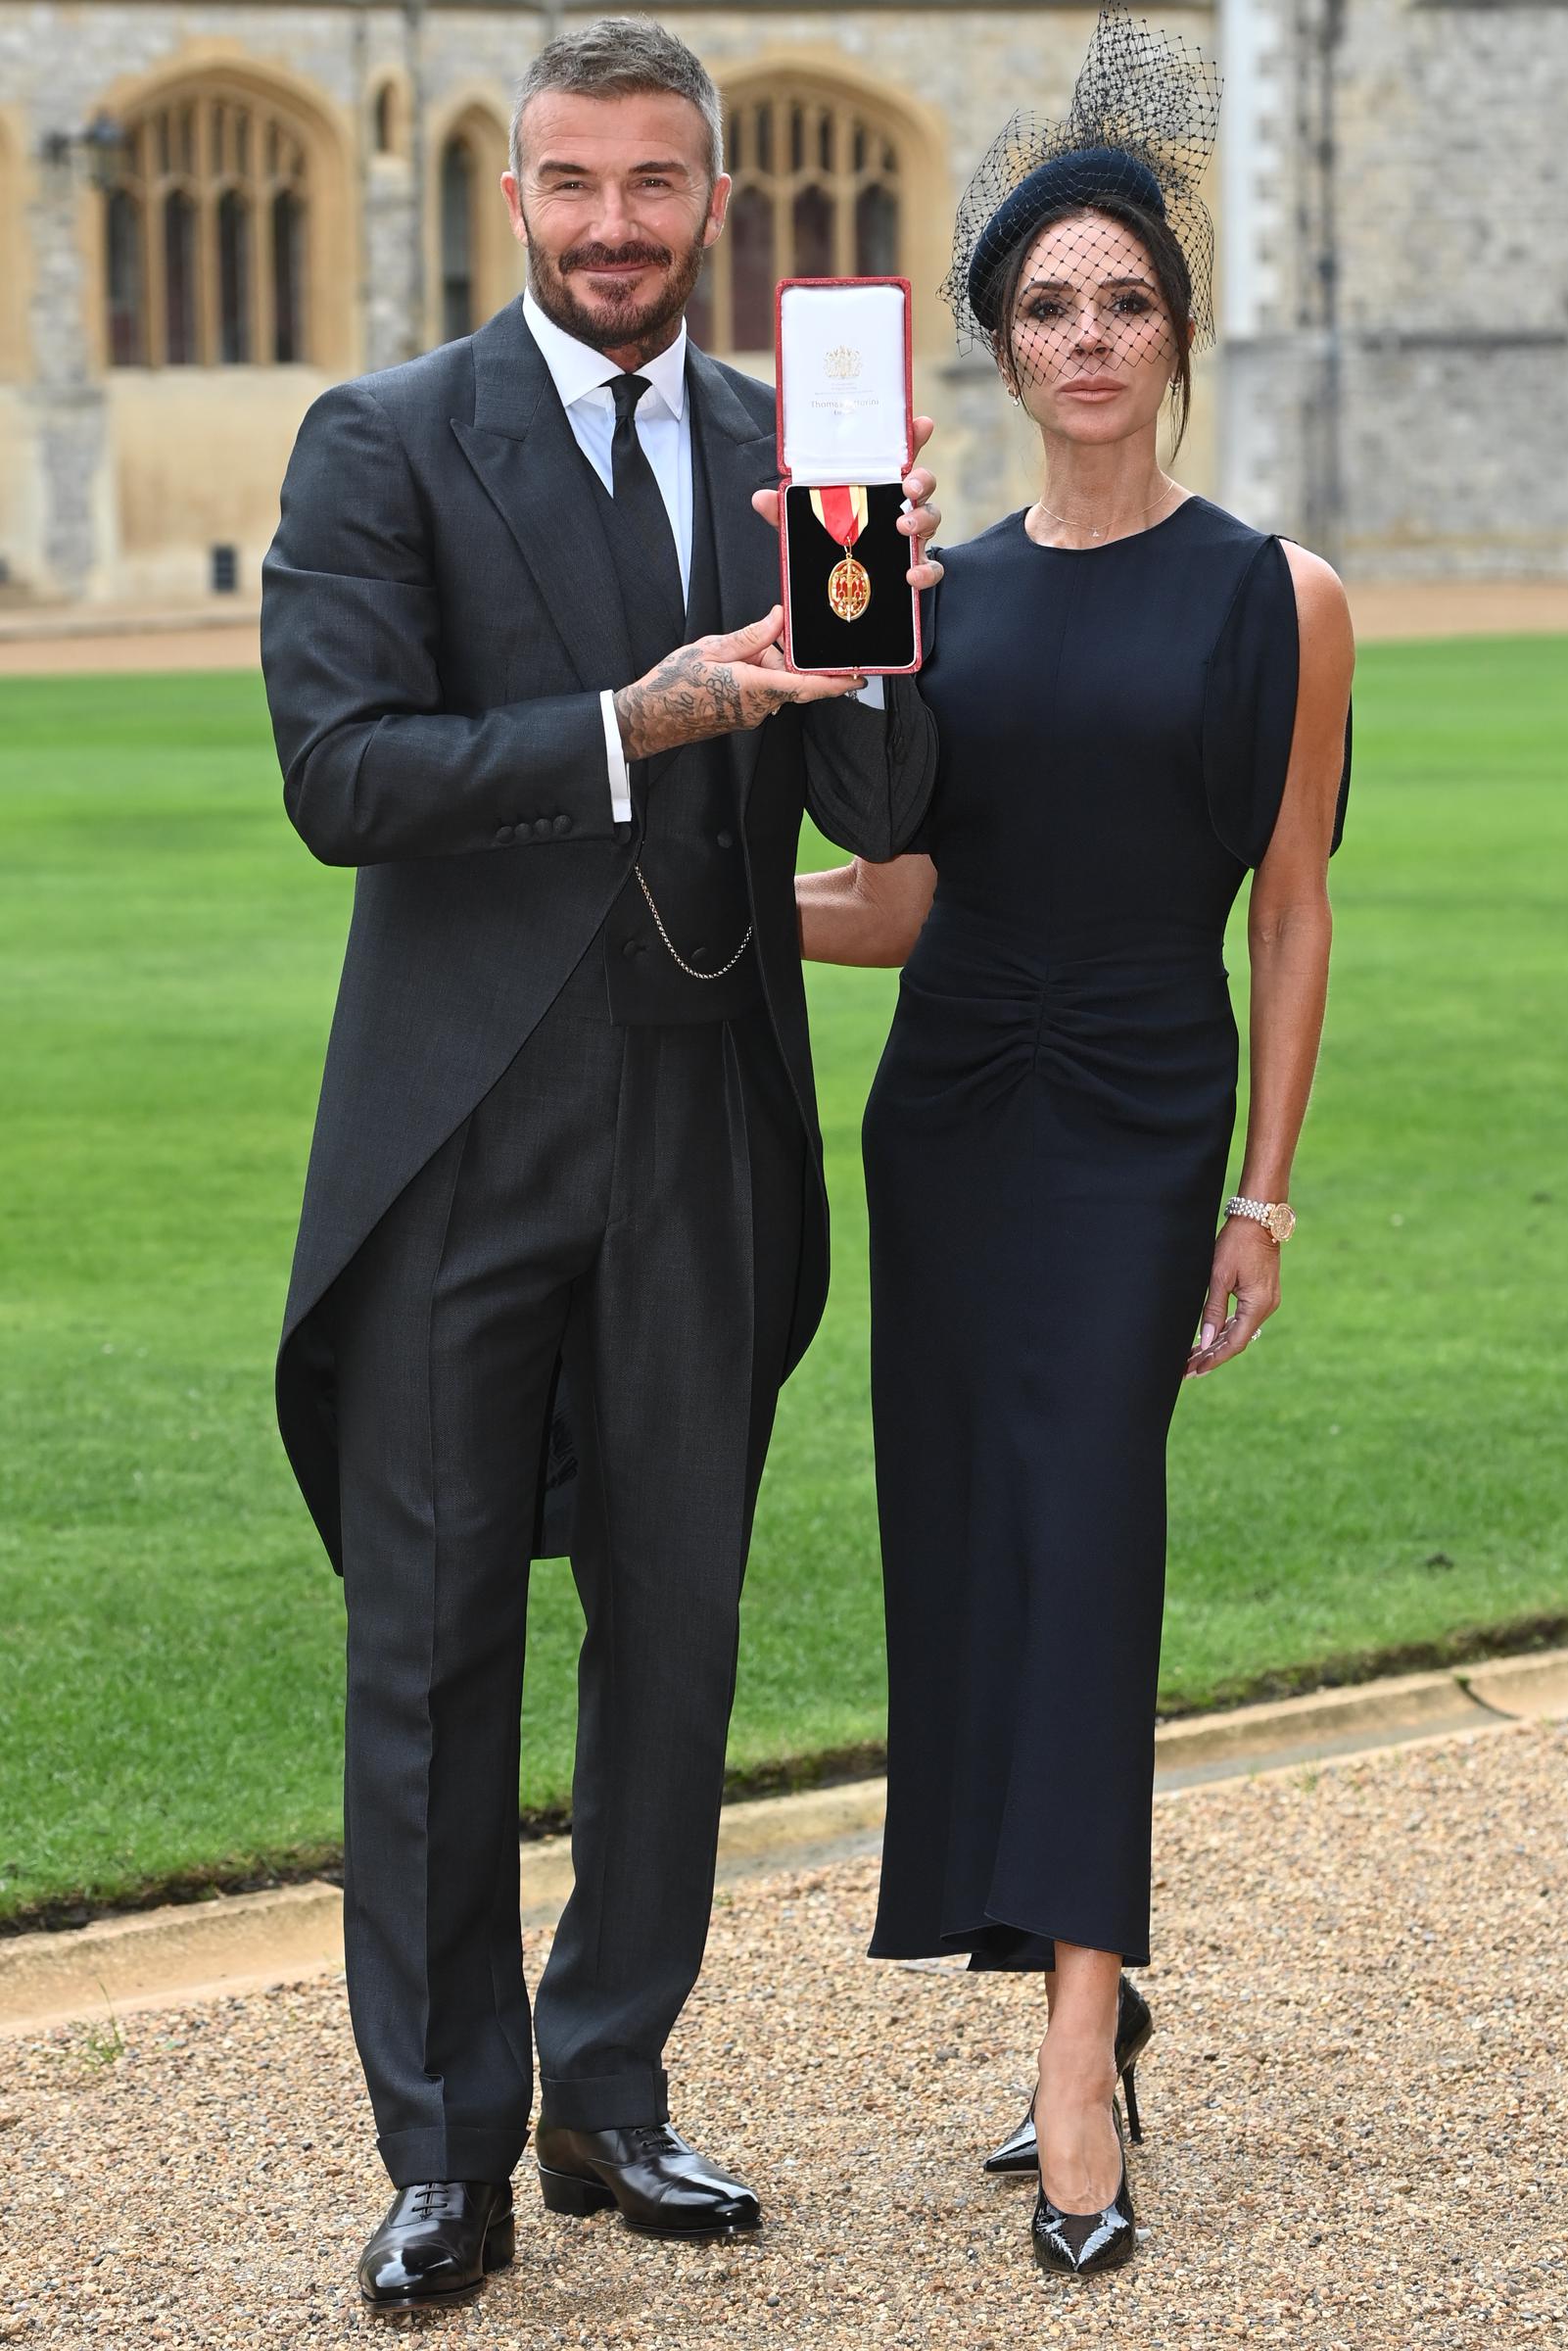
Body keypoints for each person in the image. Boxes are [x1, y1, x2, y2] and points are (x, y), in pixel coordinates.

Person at [261, 16, 940, 2317]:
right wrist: (631, 723)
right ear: (518, 196)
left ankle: (608, 2094)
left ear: (718, 207)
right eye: (576, 185)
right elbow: (343, 771)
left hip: (699, 1126)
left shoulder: (788, 438)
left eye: (659, 188)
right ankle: (442, 2144)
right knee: (430, 1647)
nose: (616, 226)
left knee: (672, 1635)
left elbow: (880, 809)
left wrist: (875, 619)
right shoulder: (384, 442)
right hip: (461, 1130)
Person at [796, 4, 1353, 2280]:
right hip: (946, 1119)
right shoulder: (928, 603)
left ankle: (1073, 2053)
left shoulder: (1278, 597)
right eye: (1048, 303)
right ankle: (1070, 2007)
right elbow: (902, 900)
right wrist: (691, 893)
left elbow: (1294, 911)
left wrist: (1261, 1189)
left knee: (1090, 1543)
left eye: (1124, 299)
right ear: (998, 349)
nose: (1088, 332)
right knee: (978, 1563)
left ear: (1172, 333)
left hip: (1140, 1123)